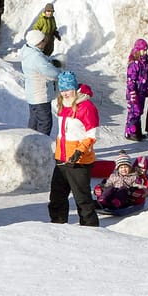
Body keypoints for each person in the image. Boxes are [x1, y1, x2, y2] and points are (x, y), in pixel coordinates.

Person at [48, 71, 100, 227]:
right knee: (57, 197)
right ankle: (57, 224)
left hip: (79, 161)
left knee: (82, 198)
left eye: (68, 89)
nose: (65, 93)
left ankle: (90, 228)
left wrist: (79, 151)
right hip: (62, 159)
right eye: (62, 90)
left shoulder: (86, 107)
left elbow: (92, 134)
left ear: (75, 88)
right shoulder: (61, 104)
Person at [21, 28, 60, 135]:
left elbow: (42, 64)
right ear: (37, 42)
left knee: (34, 122)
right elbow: (52, 73)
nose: (45, 43)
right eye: (43, 41)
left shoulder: (27, 50)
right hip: (41, 95)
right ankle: (41, 145)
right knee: (45, 123)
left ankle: (31, 145)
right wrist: (60, 72)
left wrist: (49, 61)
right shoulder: (36, 57)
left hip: (32, 94)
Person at [125, 38, 148, 141]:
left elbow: (146, 76)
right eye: (143, 50)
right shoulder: (134, 64)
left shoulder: (145, 63)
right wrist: (132, 91)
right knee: (133, 112)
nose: (144, 52)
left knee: (139, 111)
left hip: (142, 92)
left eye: (146, 50)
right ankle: (131, 132)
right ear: (137, 50)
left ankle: (137, 131)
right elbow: (131, 80)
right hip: (134, 92)